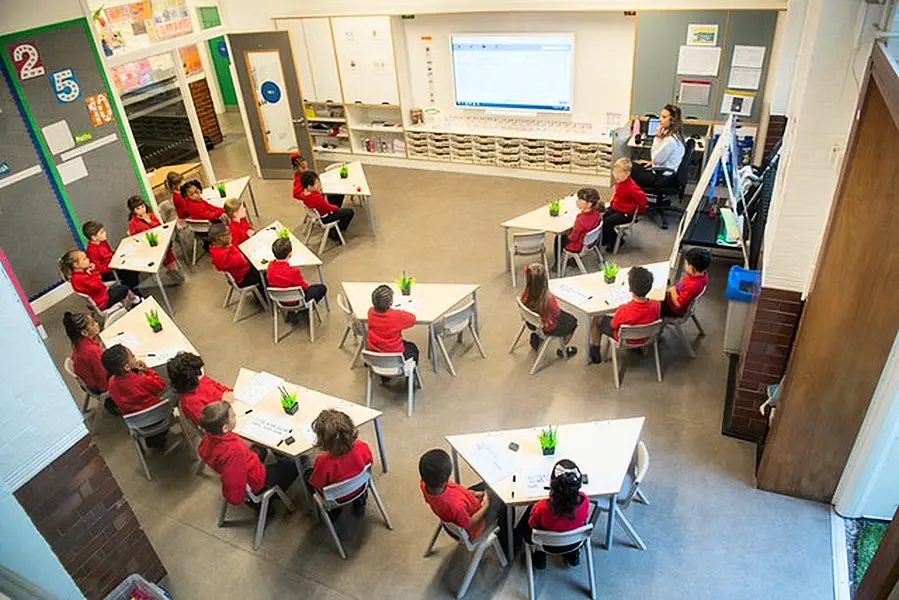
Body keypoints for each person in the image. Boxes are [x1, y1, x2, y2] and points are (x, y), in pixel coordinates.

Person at [198, 401, 299, 505]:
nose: (235, 416)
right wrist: (245, 497)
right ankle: (270, 497)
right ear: (225, 428)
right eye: (232, 416)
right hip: (257, 479)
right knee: (300, 461)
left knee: (261, 445)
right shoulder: (234, 451)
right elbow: (233, 483)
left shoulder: (207, 439)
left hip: (246, 464)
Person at [419, 448, 512, 555]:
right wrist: (485, 506)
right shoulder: (455, 506)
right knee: (506, 500)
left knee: (490, 483)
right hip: (476, 524)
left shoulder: (424, 484)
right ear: (446, 478)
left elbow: (456, 491)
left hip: (465, 503)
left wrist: (473, 494)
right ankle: (508, 544)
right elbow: (469, 524)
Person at [514, 459, 593, 569]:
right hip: (574, 542)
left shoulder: (541, 507)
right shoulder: (585, 500)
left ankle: (539, 555)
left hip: (545, 544)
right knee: (574, 525)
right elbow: (584, 518)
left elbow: (532, 524)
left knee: (524, 524)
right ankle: (573, 555)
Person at [305, 409, 373, 517]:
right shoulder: (362, 447)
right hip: (360, 487)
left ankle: (334, 512)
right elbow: (369, 464)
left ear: (322, 441)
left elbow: (317, 483)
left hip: (336, 498)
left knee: (307, 475)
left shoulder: (323, 462)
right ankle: (360, 502)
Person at [589, 265, 661, 363]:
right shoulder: (656, 305)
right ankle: (638, 347)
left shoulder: (624, 309)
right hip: (646, 337)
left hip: (625, 339)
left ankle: (595, 352)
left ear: (630, 289)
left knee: (597, 320)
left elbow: (613, 325)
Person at [101, 344, 169, 448]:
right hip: (161, 417)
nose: (134, 356)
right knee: (174, 390)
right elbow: (160, 385)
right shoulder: (141, 380)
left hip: (137, 425)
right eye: (132, 356)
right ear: (127, 367)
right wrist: (147, 370)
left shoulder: (110, 383)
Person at [520, 263, 578, 358]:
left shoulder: (526, 292)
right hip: (547, 326)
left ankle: (536, 336)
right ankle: (563, 349)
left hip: (531, 322)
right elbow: (557, 314)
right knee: (573, 321)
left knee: (563, 315)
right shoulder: (548, 300)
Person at [167, 352, 234, 426]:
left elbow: (218, 386)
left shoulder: (202, 380)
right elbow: (209, 423)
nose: (202, 369)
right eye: (199, 370)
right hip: (221, 420)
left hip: (229, 406)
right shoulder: (190, 402)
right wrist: (224, 403)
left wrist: (230, 392)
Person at [60, 249, 139, 310]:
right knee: (124, 288)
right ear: (76, 265)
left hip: (98, 298)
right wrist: (94, 271)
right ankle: (134, 302)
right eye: (84, 259)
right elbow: (100, 286)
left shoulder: (77, 276)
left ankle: (134, 300)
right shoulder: (81, 278)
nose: (88, 260)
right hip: (102, 301)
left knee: (119, 289)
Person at [630, 104, 686, 192]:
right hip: (666, 172)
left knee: (628, 169)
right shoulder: (676, 136)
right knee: (634, 164)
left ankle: (632, 201)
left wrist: (657, 138)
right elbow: (658, 160)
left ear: (672, 121)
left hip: (662, 176)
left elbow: (655, 159)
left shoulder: (670, 141)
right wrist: (649, 162)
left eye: (664, 117)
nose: (660, 119)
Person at [602, 158, 648, 252]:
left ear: (627, 174)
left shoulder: (632, 188)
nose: (615, 175)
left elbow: (643, 200)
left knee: (607, 222)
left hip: (626, 213)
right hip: (617, 208)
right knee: (601, 216)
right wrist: (612, 204)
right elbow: (617, 195)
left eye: (619, 173)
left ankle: (616, 241)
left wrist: (638, 212)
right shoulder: (620, 182)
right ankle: (606, 238)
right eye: (615, 172)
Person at [82, 220, 141, 291]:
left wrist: (118, 257)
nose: (105, 233)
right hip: (107, 272)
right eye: (101, 232)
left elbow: (109, 253)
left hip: (114, 263)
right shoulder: (92, 251)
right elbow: (99, 268)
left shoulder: (102, 241)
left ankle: (133, 286)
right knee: (130, 272)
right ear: (94, 238)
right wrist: (114, 264)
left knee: (133, 264)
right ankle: (133, 291)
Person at [367, 284, 418, 365]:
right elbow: (413, 319)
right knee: (413, 348)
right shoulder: (396, 316)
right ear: (391, 302)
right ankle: (409, 374)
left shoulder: (370, 312)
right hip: (394, 353)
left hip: (375, 352)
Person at [208, 223, 265, 296]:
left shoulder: (215, 249)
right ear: (221, 238)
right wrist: (231, 245)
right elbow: (243, 261)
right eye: (229, 233)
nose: (231, 234)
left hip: (237, 274)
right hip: (243, 277)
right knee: (264, 271)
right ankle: (265, 298)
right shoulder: (225, 256)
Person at [267, 237, 328, 304]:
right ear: (290, 254)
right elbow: (304, 287)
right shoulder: (293, 271)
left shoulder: (270, 267)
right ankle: (304, 310)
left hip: (279, 300)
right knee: (322, 288)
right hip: (295, 300)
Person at [297, 170, 354, 235]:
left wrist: (319, 192)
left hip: (320, 211)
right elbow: (328, 207)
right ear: (309, 186)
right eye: (316, 183)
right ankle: (336, 232)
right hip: (326, 217)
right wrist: (336, 208)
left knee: (338, 195)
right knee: (349, 212)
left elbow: (322, 202)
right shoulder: (316, 197)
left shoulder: (304, 193)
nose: (318, 184)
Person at [555, 187, 604, 260]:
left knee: (558, 238)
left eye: (580, 200)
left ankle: (557, 263)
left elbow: (573, 237)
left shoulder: (580, 219)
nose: (577, 201)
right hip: (591, 242)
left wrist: (568, 234)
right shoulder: (597, 212)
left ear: (589, 204)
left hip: (577, 245)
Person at [126, 196, 175, 268]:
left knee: (167, 248)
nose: (142, 210)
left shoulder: (150, 215)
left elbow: (160, 227)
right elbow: (134, 238)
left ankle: (171, 267)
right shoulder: (132, 223)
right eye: (138, 209)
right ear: (134, 211)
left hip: (159, 240)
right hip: (147, 245)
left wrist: (150, 221)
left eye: (142, 206)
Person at [661, 248, 710, 318]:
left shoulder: (692, 286)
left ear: (692, 268)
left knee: (653, 303)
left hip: (673, 309)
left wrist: (673, 290)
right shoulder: (702, 274)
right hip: (677, 294)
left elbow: (678, 305)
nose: (685, 265)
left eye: (686, 264)